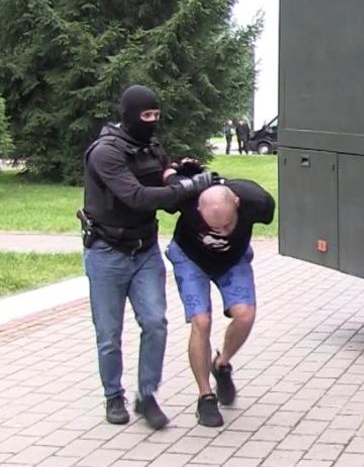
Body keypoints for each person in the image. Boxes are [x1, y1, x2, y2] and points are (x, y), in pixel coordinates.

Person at [81, 85, 216, 428]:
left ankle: (147, 395)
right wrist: (185, 188)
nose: (153, 122)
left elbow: (165, 186)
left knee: (155, 323)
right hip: (107, 251)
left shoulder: (151, 147)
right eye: (146, 116)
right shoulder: (105, 152)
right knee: (109, 333)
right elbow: (137, 197)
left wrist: (186, 176)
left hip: (144, 250)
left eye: (157, 115)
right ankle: (114, 395)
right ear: (128, 115)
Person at [165, 172, 274, 427]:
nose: (222, 232)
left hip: (232, 260)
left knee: (245, 315)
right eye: (215, 227)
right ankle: (205, 397)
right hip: (190, 258)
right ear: (198, 208)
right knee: (201, 321)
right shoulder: (186, 195)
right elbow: (163, 179)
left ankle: (221, 364)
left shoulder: (257, 201)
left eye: (228, 225)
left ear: (236, 202)